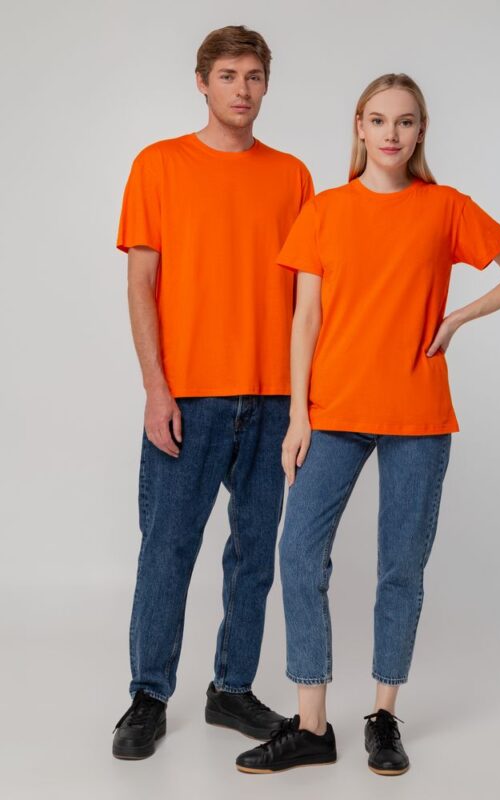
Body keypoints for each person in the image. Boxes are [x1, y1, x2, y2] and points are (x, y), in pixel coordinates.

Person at [235, 72, 500, 775]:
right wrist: (297, 415)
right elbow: (305, 318)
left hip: (417, 414)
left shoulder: (445, 207)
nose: (391, 133)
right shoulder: (325, 210)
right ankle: (311, 725)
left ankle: (382, 715)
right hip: (334, 412)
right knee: (298, 554)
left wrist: (458, 317)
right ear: (359, 127)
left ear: (420, 131)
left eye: (405, 121)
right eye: (378, 120)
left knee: (401, 568)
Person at [111, 25, 314, 760]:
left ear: (266, 85)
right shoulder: (159, 164)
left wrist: (304, 402)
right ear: (202, 82)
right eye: (228, 75)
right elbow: (141, 283)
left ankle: (231, 688)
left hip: (271, 396)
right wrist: (155, 388)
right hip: (189, 396)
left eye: (254, 76)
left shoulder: (292, 176)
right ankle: (148, 696)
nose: (242, 89)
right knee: (167, 550)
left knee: (254, 553)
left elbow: (310, 299)